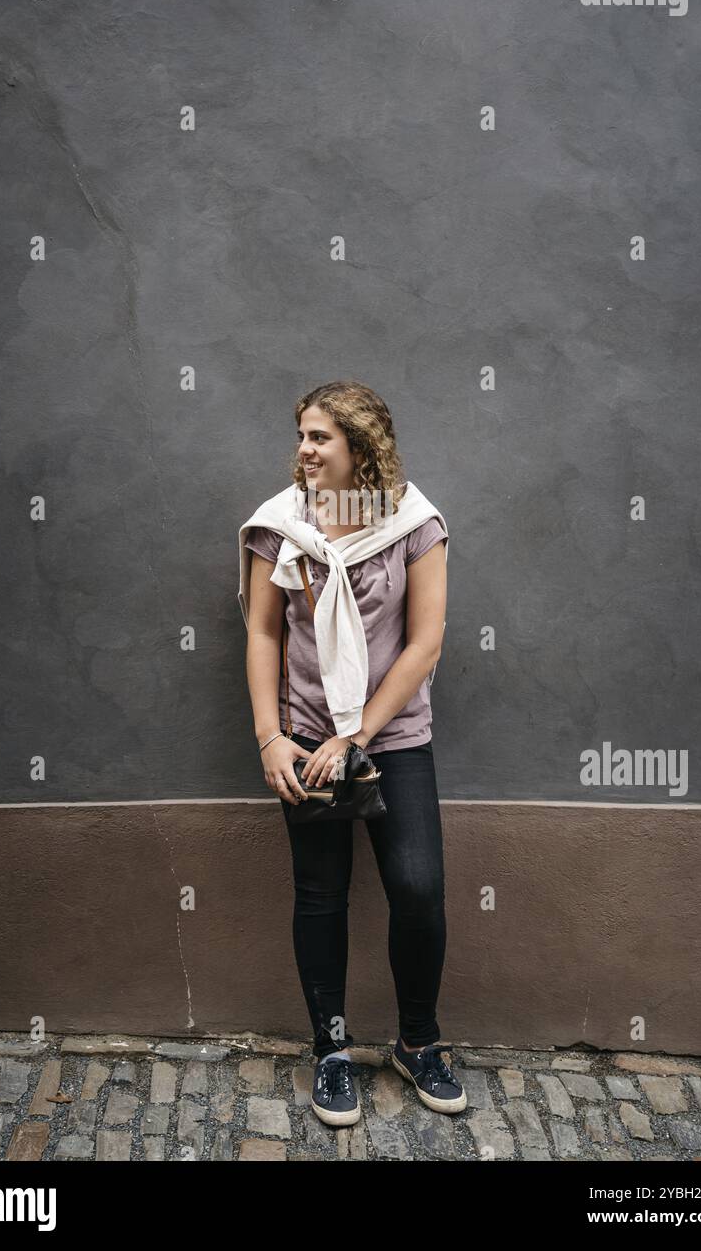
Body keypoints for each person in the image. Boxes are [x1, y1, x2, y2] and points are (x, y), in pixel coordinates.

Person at [238, 380, 466, 1127]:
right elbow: (264, 634)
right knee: (320, 895)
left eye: (318, 437)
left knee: (419, 890)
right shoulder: (280, 526)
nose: (302, 449)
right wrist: (272, 736)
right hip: (303, 740)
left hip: (390, 738)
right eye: (300, 435)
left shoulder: (411, 523)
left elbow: (424, 641)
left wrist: (357, 735)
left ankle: (417, 1043)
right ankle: (330, 1052)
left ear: (359, 447)